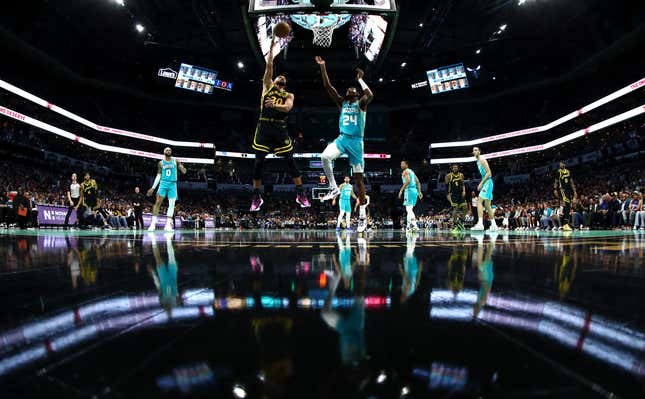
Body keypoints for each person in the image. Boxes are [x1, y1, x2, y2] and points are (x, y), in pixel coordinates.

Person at [250, 36, 310, 211]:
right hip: (264, 126)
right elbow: (269, 67)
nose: (280, 80)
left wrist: (274, 104)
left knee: (290, 161)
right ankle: (256, 196)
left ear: (284, 85)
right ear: (274, 82)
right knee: (258, 162)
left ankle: (300, 193)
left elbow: (288, 108)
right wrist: (271, 49)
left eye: (282, 81)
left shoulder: (289, 95)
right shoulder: (267, 86)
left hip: (279, 128)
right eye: (278, 79)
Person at [315, 56, 374, 233]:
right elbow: (327, 87)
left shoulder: (361, 103)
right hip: (342, 139)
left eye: (353, 89)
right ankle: (333, 188)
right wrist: (323, 67)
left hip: (356, 143)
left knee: (359, 181)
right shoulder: (341, 102)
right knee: (324, 156)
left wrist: (361, 80)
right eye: (348, 88)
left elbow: (370, 94)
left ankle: (362, 216)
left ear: (356, 94)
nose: (349, 89)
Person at [147, 147, 186, 232]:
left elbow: (182, 168)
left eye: (170, 150)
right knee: (157, 203)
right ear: (164, 152)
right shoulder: (161, 163)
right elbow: (158, 175)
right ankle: (152, 224)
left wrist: (182, 168)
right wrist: (153, 187)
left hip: (173, 184)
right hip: (163, 183)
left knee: (171, 205)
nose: (169, 151)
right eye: (167, 150)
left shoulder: (175, 160)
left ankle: (168, 225)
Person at [470, 147, 497, 231]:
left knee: (479, 201)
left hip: (487, 183)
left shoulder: (482, 159)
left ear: (479, 151)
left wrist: (481, 183)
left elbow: (489, 173)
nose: (474, 151)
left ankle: (480, 224)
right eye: (473, 150)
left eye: (476, 150)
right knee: (487, 205)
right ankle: (494, 225)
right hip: (487, 183)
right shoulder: (477, 161)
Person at [398, 160, 423, 232]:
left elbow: (408, 181)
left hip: (409, 191)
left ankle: (414, 225)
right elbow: (418, 182)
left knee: (408, 209)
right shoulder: (412, 171)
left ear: (407, 165)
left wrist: (401, 190)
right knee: (409, 209)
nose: (401, 165)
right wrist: (419, 191)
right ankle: (409, 225)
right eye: (401, 164)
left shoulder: (405, 171)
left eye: (403, 164)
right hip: (414, 190)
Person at [553, 161, 577, 232]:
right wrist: (555, 189)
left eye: (562, 163)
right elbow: (556, 181)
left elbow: (571, 182)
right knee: (567, 205)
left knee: (568, 207)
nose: (560, 164)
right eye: (559, 163)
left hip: (568, 190)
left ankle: (565, 223)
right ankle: (565, 224)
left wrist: (575, 191)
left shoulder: (568, 171)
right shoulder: (558, 172)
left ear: (564, 164)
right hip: (562, 190)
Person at [445, 165, 468, 231]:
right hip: (453, 195)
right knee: (456, 208)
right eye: (454, 167)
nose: (455, 168)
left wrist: (464, 191)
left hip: (460, 194)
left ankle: (461, 221)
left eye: (456, 167)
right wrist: (447, 195)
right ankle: (454, 224)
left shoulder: (461, 175)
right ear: (452, 169)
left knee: (465, 208)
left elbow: (463, 184)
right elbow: (446, 187)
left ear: (458, 168)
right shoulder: (448, 176)